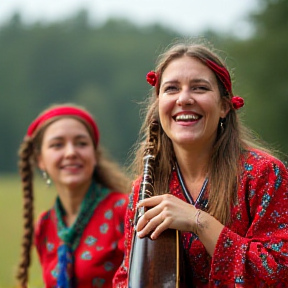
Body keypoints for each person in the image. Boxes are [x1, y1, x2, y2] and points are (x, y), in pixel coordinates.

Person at [113, 39, 288, 287]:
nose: (184, 99)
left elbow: (279, 272)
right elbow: (127, 278)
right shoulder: (144, 189)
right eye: (172, 89)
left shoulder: (263, 174)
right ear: (159, 105)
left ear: (225, 106)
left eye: (199, 88)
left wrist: (199, 221)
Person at [16, 103, 131, 288]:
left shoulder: (125, 210)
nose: (71, 152)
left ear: (95, 155)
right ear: (41, 161)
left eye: (81, 143)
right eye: (57, 145)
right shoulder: (45, 225)